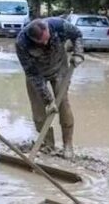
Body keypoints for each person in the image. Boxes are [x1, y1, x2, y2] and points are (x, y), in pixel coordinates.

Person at [16, 18, 84, 159]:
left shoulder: (59, 25)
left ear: (47, 28)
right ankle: (48, 144)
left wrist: (78, 53)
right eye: (41, 43)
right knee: (39, 112)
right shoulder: (22, 43)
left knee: (63, 104)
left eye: (47, 39)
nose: (46, 43)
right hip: (36, 73)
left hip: (59, 68)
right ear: (32, 39)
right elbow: (32, 74)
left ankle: (68, 145)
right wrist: (48, 100)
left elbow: (77, 34)